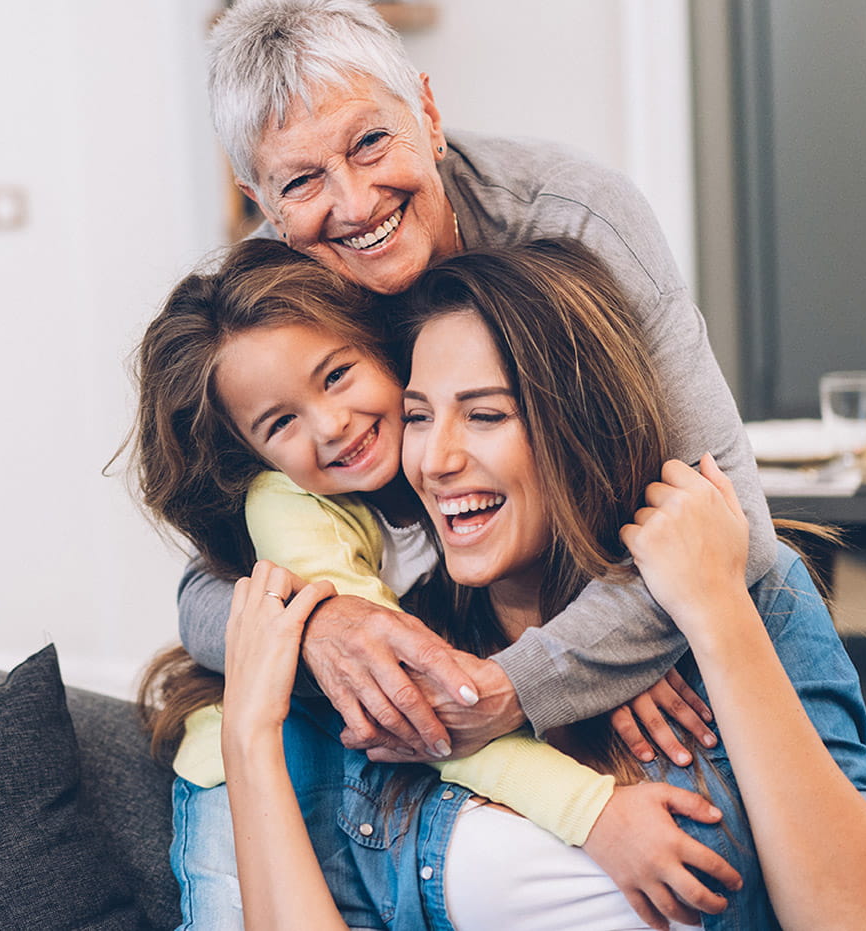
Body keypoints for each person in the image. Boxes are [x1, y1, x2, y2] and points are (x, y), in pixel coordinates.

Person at [215, 241, 866, 930]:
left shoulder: (750, 597)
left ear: (580, 426)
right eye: (420, 415)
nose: (435, 459)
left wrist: (714, 611)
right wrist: (248, 737)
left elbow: (858, 918)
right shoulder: (404, 655)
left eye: (486, 414)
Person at [178, 0, 772, 768]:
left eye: (369, 141)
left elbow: (734, 529)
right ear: (262, 204)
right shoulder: (269, 308)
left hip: (605, 639)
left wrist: (528, 677)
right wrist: (320, 625)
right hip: (440, 644)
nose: (354, 204)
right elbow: (202, 591)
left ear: (427, 112)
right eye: (301, 180)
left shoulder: (575, 218)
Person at [132, 237, 736, 929]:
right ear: (252, 452)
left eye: (335, 376)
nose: (332, 426)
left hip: (369, 755)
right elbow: (419, 701)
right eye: (281, 422)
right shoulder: (290, 506)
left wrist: (622, 652)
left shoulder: (440, 465)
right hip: (244, 765)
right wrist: (592, 813)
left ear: (381, 347)